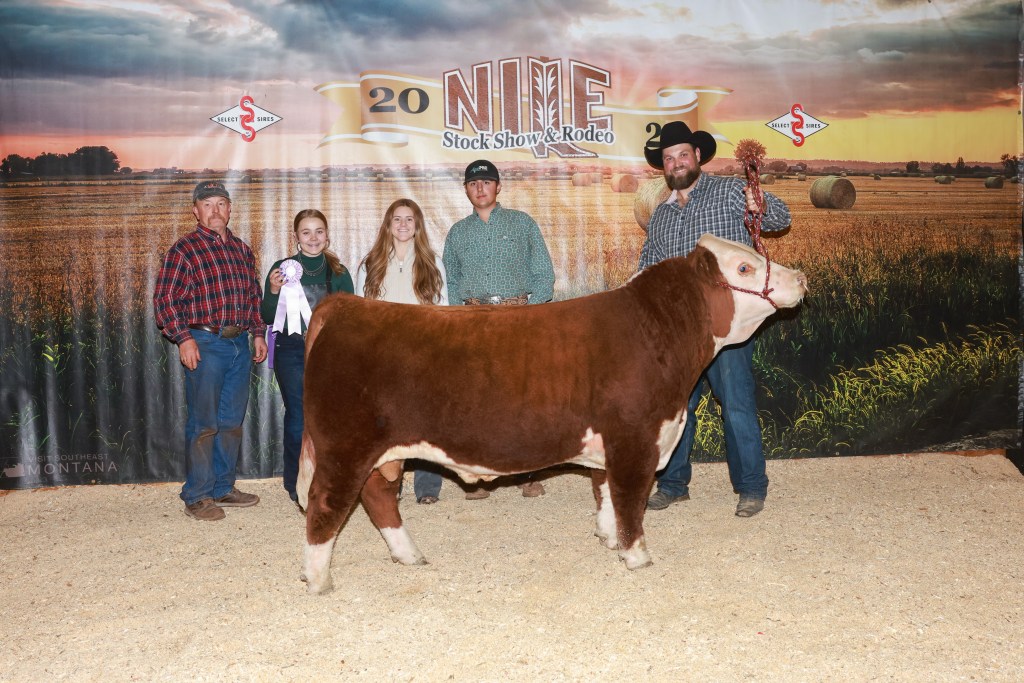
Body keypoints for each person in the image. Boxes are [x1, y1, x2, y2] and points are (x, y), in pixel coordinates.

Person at [638, 121, 792, 518]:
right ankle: (673, 485)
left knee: (736, 404)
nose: (676, 163)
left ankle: (751, 487)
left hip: (728, 326)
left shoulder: (728, 192)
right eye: (668, 158)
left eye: (682, 155)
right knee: (677, 409)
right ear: (663, 166)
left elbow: (779, 218)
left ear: (697, 157)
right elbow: (649, 268)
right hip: (682, 331)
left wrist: (761, 204)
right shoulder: (661, 217)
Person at [153, 180, 268, 521]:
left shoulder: (242, 250)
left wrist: (258, 333)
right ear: (196, 211)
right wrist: (183, 338)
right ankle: (197, 495)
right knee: (204, 423)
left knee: (231, 421)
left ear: (229, 209)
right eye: (207, 204)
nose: (215, 210)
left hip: (238, 343)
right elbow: (165, 300)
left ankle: (222, 487)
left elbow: (253, 296)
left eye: (221, 203)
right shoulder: (184, 250)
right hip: (204, 343)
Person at [442, 159, 555, 499]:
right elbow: (452, 280)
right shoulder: (457, 233)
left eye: (487, 182)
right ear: (466, 190)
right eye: (473, 183)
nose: (480, 188)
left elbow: (544, 273)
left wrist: (530, 314)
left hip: (516, 316)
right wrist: (459, 319)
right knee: (478, 398)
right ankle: (478, 477)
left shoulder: (522, 223)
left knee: (522, 397)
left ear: (498, 186)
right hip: (474, 318)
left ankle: (528, 474)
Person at [355, 198, 448, 504]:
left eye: (409, 219)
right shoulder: (370, 265)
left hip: (422, 354)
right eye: (397, 219)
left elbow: (443, 311)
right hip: (383, 356)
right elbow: (362, 315)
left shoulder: (433, 263)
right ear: (388, 225)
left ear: (417, 225)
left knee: (425, 422)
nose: (403, 224)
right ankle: (389, 484)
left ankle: (428, 487)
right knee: (386, 424)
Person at [261, 209, 354, 504]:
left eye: (319, 231)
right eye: (306, 232)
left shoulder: (339, 273)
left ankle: (327, 479)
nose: (313, 238)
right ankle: (295, 482)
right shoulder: (281, 269)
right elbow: (267, 316)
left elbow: (350, 318)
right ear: (296, 237)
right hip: (291, 351)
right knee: (298, 416)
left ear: (327, 235)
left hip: (328, 353)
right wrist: (273, 290)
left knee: (329, 418)